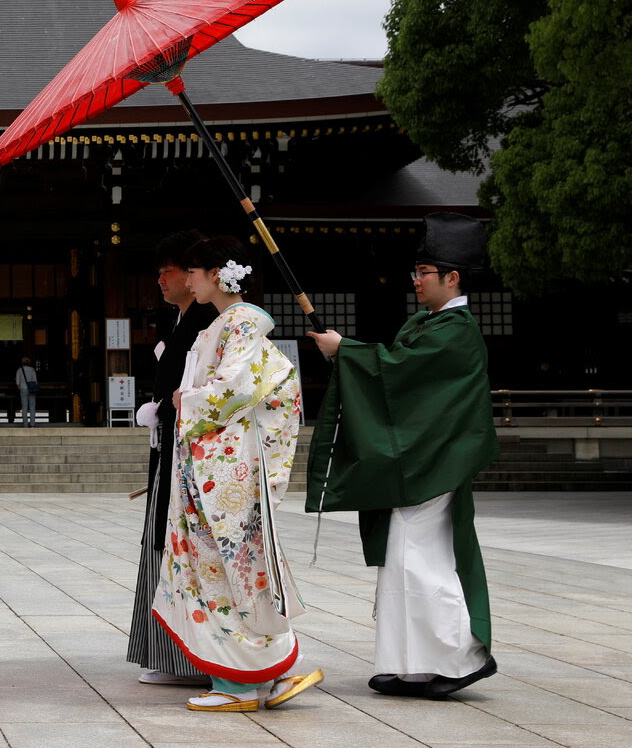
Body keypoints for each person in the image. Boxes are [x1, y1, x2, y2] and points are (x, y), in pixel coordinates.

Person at [305, 212, 499, 699]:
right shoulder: (428, 323)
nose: (415, 280)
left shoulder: (456, 331)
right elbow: (396, 376)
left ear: (452, 277)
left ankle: (458, 657)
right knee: (403, 558)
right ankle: (411, 665)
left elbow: (398, 377)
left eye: (424, 272)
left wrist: (345, 350)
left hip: (435, 463)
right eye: (416, 271)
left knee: (423, 560)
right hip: (422, 461)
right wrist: (348, 353)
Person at [151, 235, 323, 712]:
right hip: (212, 461)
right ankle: (269, 668)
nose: (187, 280)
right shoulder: (226, 324)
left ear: (217, 275)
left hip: (225, 466)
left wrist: (185, 401)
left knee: (226, 566)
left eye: (194, 272)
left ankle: (242, 682)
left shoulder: (242, 323)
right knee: (228, 566)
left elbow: (235, 389)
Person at [128, 230, 216, 687]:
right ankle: (168, 653)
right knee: (163, 543)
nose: (161, 279)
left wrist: (162, 407)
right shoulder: (182, 322)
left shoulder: (208, 323)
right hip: (170, 450)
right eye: (159, 270)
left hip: (193, 457)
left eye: (172, 270)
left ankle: (194, 657)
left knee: (183, 545)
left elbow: (205, 391)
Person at [15, 356, 38, 427]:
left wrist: (20, 387)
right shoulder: (32, 370)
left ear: (22, 362)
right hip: (31, 389)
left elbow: (17, 382)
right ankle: (32, 424)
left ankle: (25, 424)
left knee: (24, 407)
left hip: (23, 389)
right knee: (32, 407)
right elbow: (35, 381)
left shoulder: (19, 370)